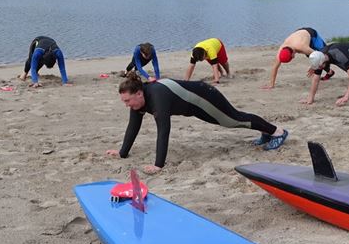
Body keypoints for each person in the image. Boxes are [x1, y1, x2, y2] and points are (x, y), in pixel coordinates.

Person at [106, 73, 288, 174]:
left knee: (233, 120)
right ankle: (266, 132)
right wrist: (122, 153)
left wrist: (158, 165)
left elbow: (164, 131)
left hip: (205, 96)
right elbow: (133, 126)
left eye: (127, 101)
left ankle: (277, 131)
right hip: (194, 107)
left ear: (138, 93)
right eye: (124, 102)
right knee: (234, 120)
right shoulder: (140, 99)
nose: (126, 105)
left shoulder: (157, 97)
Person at [262, 27, 334, 89]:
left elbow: (319, 56)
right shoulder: (281, 50)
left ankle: (329, 72)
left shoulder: (302, 47)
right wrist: (271, 84)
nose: (293, 58)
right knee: (310, 55)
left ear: (293, 52)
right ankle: (329, 71)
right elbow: (275, 67)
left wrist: (313, 67)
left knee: (324, 53)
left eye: (292, 57)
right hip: (299, 34)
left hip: (311, 34)